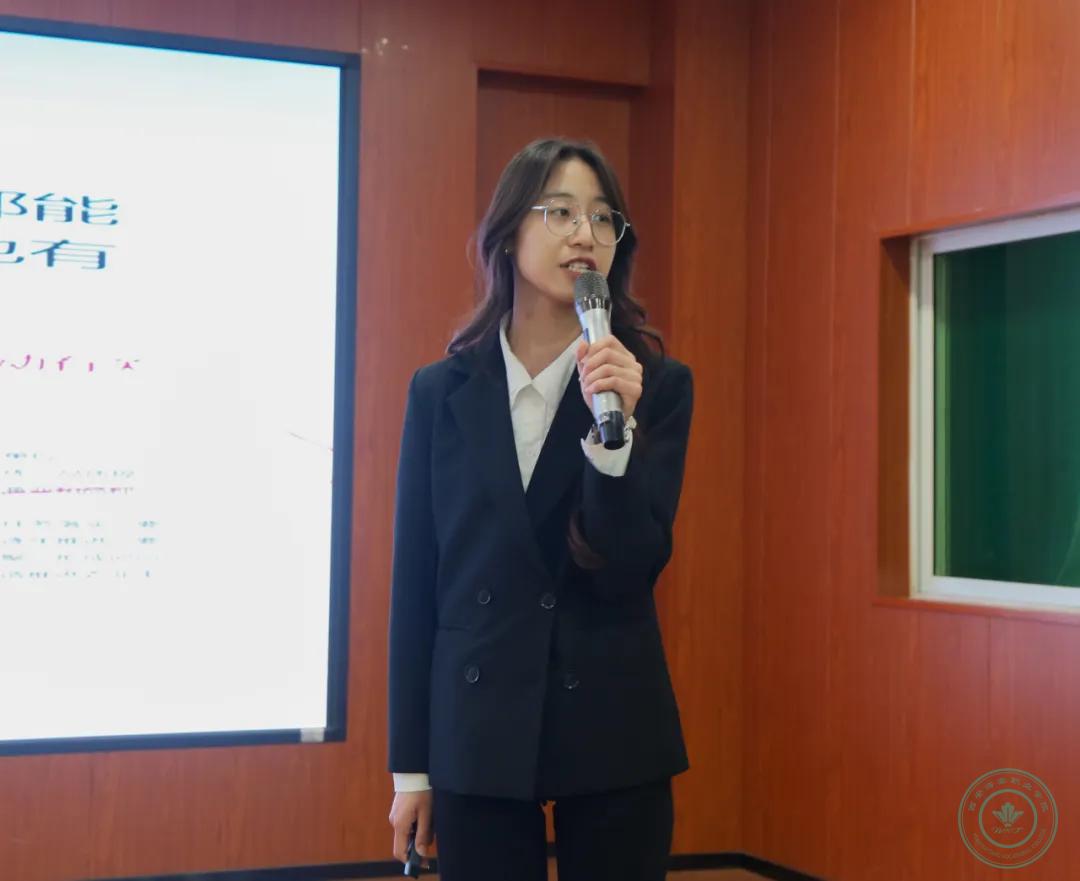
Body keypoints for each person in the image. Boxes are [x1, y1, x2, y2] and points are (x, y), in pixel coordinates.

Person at [386, 137, 694, 881]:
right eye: (559, 211)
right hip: (478, 728)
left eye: (603, 217)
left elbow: (630, 566)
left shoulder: (653, 382)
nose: (584, 233)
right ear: (508, 232)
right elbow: (417, 582)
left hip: (611, 725)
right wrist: (411, 769)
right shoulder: (441, 391)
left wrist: (613, 435)